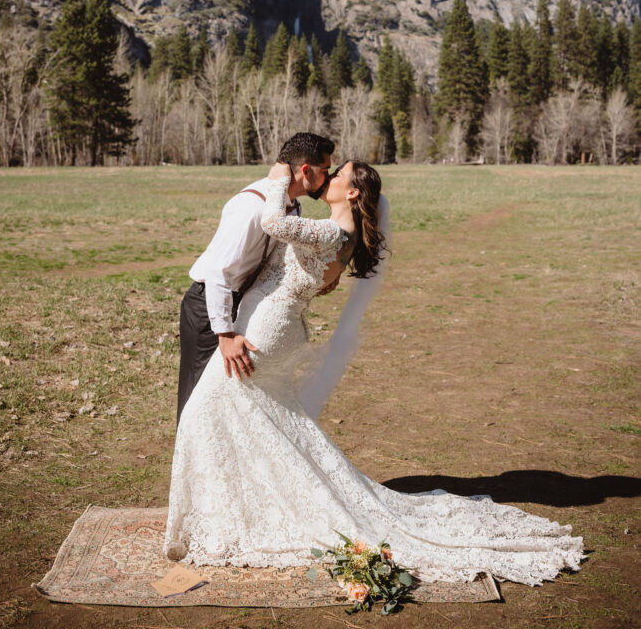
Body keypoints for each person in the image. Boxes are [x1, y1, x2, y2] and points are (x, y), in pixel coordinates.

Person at [165, 161, 584, 586]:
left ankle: (223, 525)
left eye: (337, 174)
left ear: (351, 194)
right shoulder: (336, 233)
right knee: (258, 420)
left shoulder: (331, 233)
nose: (328, 179)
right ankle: (244, 504)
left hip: (266, 330)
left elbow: (272, 221)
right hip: (278, 324)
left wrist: (277, 179)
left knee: (205, 411)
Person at [176, 132, 334, 423]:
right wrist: (223, 333)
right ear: (305, 170)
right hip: (208, 308)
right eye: (325, 171)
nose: (328, 178)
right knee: (197, 399)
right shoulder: (251, 206)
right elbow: (217, 273)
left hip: (242, 306)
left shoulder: (290, 207)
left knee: (228, 399)